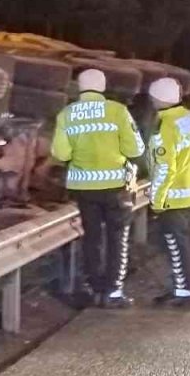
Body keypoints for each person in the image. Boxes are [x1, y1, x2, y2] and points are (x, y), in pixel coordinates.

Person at [50, 68, 145, 308]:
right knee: (118, 238)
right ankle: (113, 291)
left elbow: (60, 153)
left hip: (84, 188)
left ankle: (94, 288)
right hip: (116, 187)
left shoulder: (66, 114)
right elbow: (136, 150)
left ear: (80, 87)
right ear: (103, 87)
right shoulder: (117, 111)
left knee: (92, 237)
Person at [146, 76, 190, 306]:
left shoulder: (164, 126)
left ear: (157, 99)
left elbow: (165, 167)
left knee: (176, 245)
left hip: (174, 197)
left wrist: (157, 201)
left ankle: (183, 292)